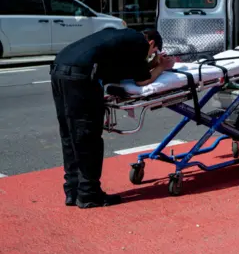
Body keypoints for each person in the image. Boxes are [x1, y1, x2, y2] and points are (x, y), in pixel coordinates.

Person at [50, 28, 175, 208]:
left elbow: (133, 69)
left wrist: (153, 63)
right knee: (87, 136)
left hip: (59, 69)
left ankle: (73, 190)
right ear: (152, 44)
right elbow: (143, 81)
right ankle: (89, 194)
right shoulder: (139, 43)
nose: (150, 56)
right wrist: (163, 66)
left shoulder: (120, 36)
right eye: (153, 53)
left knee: (69, 135)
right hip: (81, 76)